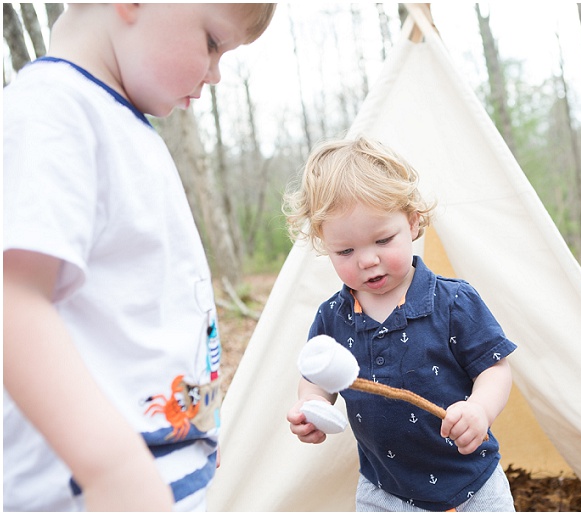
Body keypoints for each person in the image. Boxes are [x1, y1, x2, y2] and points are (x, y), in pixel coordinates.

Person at [3, 4, 275, 511]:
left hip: (169, 472)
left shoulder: (120, 123)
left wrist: (197, 432)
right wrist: (111, 469)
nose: (215, 74)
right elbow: (13, 299)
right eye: (213, 43)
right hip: (97, 490)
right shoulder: (53, 110)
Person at [284, 137, 517, 512]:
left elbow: (495, 368)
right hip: (384, 490)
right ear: (324, 244)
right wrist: (310, 404)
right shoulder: (333, 317)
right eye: (346, 250)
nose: (367, 260)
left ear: (412, 222)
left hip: (472, 484)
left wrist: (480, 409)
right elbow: (316, 377)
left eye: (382, 239)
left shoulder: (453, 302)